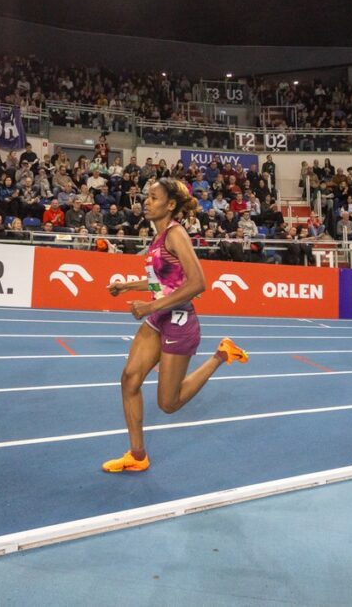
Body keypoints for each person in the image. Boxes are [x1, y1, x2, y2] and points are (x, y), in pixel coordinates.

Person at [102, 178, 248, 473]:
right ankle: (137, 455)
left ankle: (222, 354)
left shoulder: (176, 233)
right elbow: (163, 282)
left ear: (170, 205)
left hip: (180, 322)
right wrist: (128, 287)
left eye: (153, 197)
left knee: (168, 404)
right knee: (129, 379)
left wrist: (149, 307)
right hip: (159, 317)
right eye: (147, 196)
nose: (147, 201)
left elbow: (198, 283)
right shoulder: (157, 239)